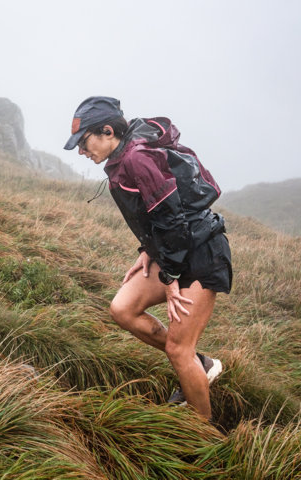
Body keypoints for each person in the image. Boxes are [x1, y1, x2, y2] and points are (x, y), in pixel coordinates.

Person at [64, 96, 232, 421]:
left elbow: (172, 220)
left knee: (178, 350)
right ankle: (201, 363)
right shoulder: (121, 157)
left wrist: (169, 277)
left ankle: (204, 433)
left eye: (84, 143)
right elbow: (153, 215)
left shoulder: (137, 158)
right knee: (122, 309)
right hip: (174, 250)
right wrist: (147, 251)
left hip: (200, 254)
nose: (82, 152)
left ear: (108, 131)